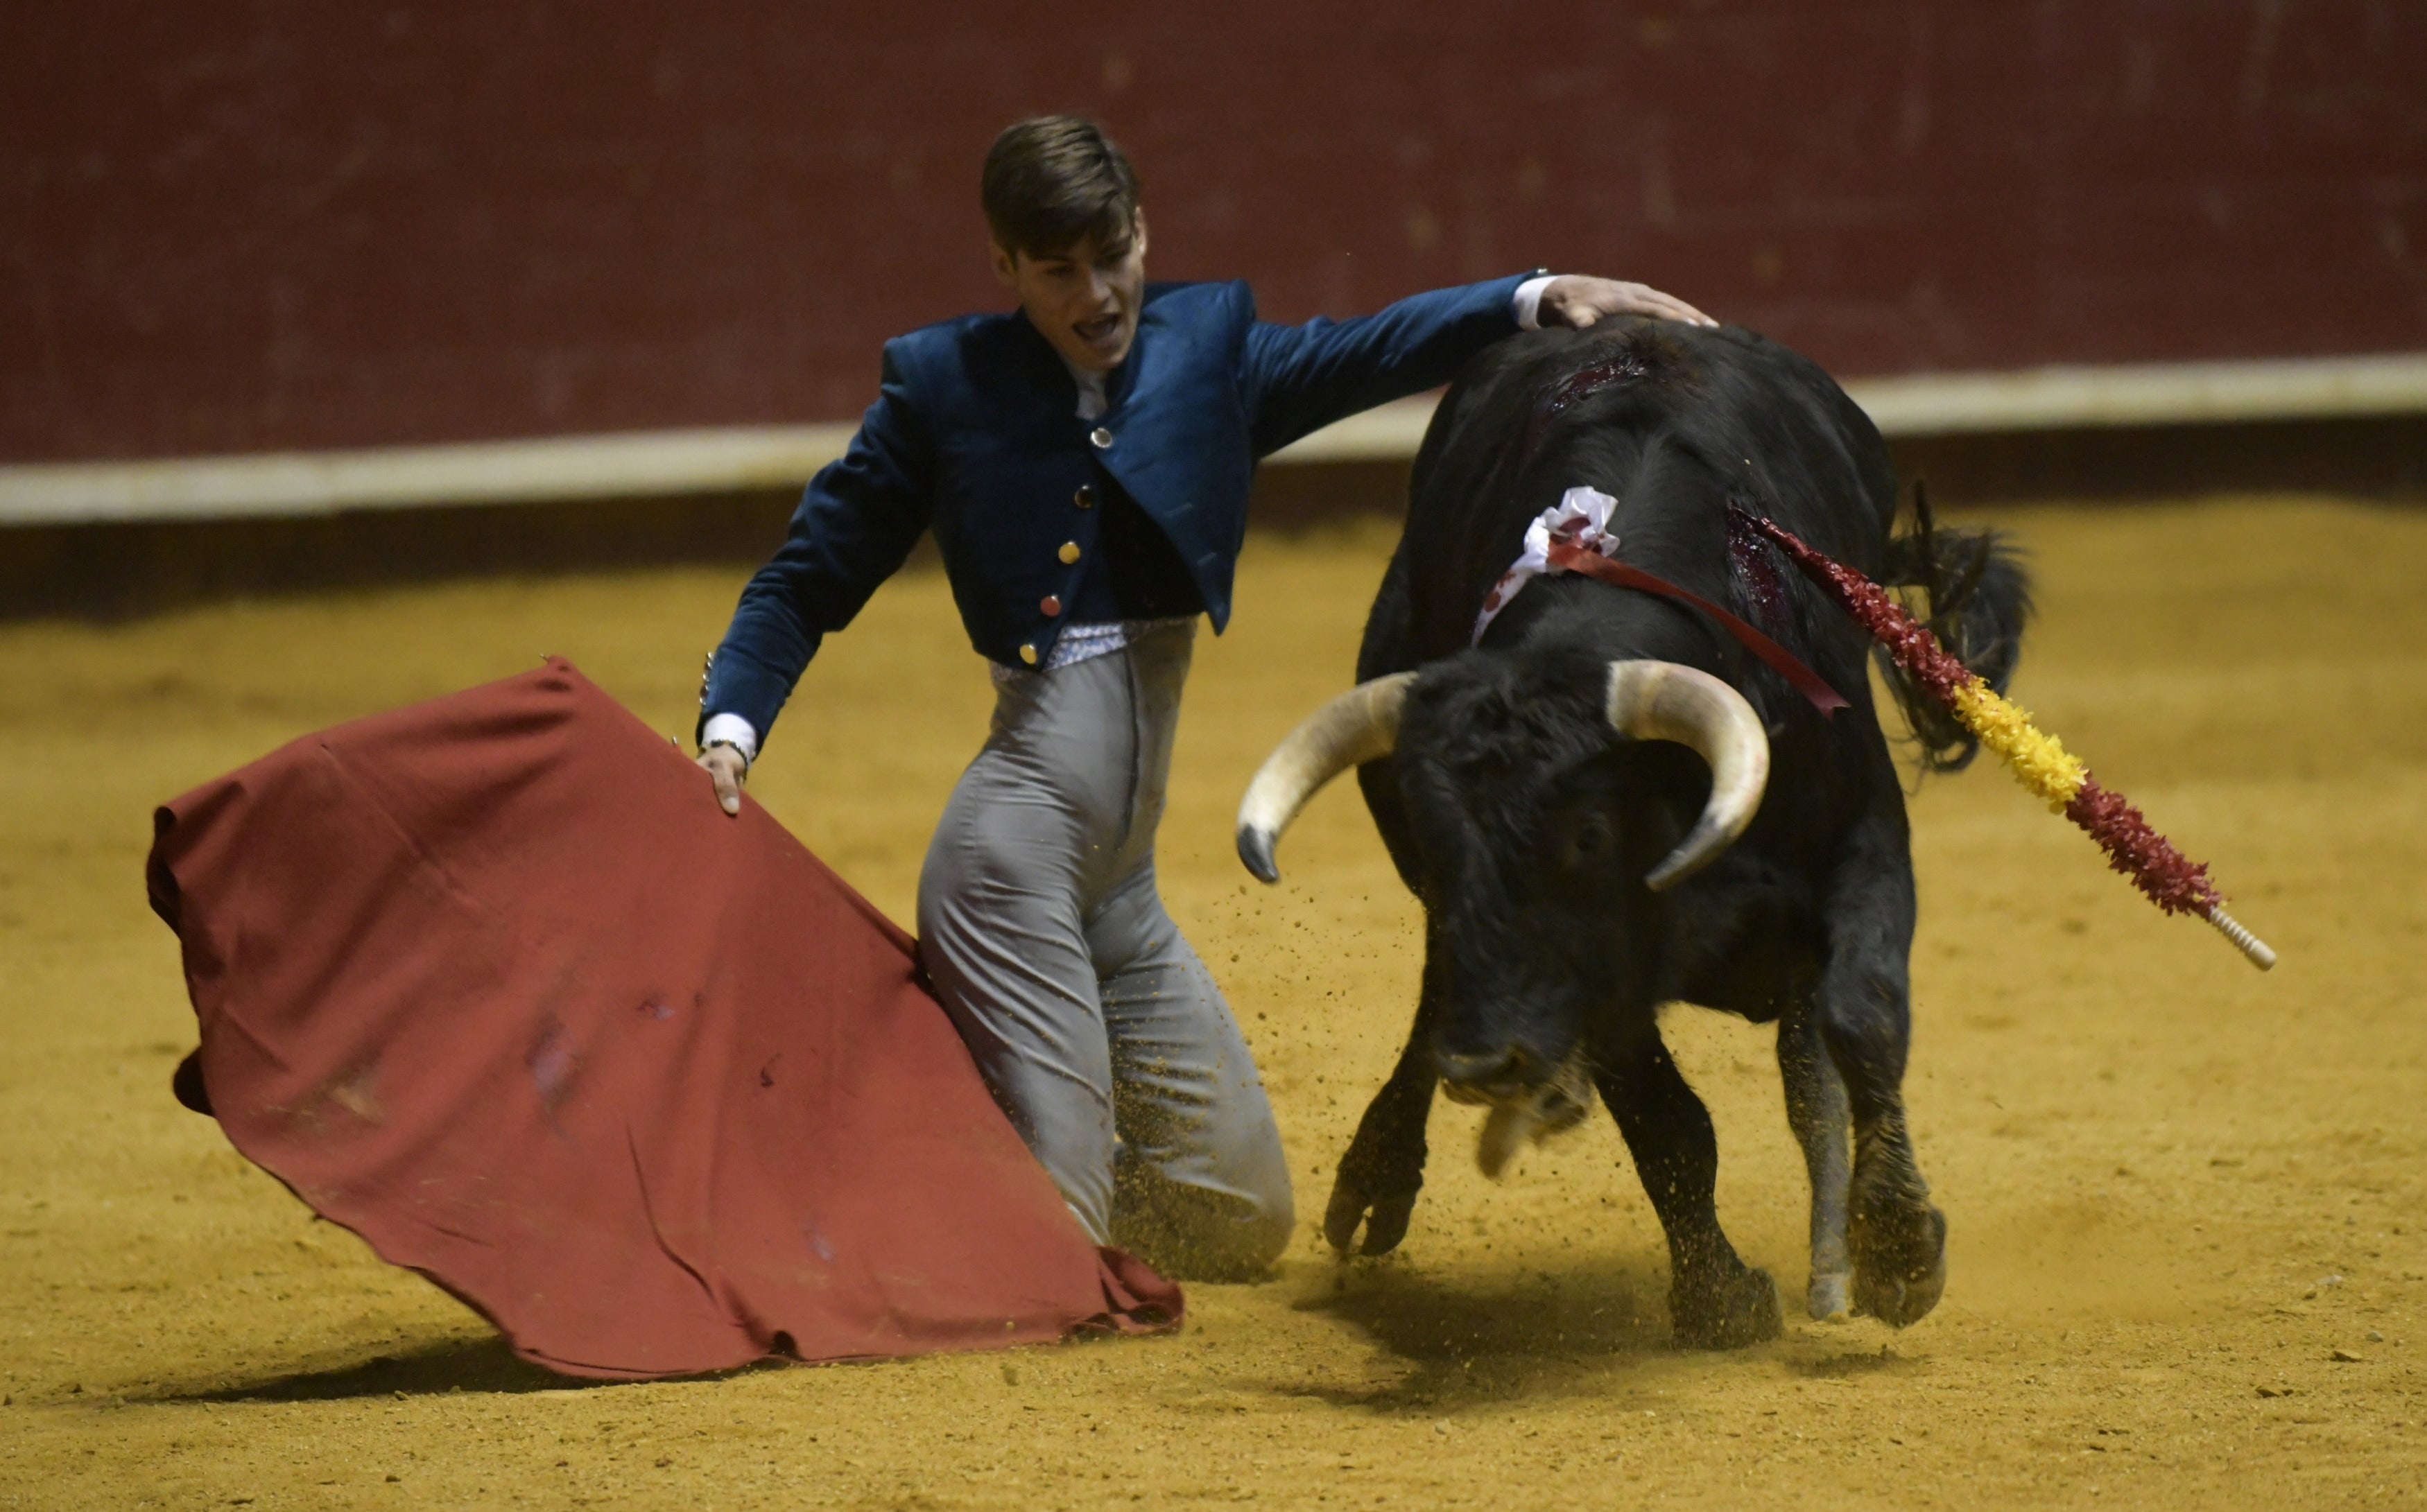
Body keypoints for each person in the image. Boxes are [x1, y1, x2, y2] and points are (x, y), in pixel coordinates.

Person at [693, 115, 1712, 1279]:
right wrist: (735, 719)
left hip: (1120, 894)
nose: (1096, 293)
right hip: (1009, 870)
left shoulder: (1208, 352)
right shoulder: (944, 388)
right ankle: (866, 1203)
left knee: (1236, 1219)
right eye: (1057, 271)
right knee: (1060, 1230)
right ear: (1006, 269)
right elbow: (806, 577)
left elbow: (1368, 347)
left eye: (1112, 251)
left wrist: (1533, 295)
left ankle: (993, 1130)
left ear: (1143, 230)